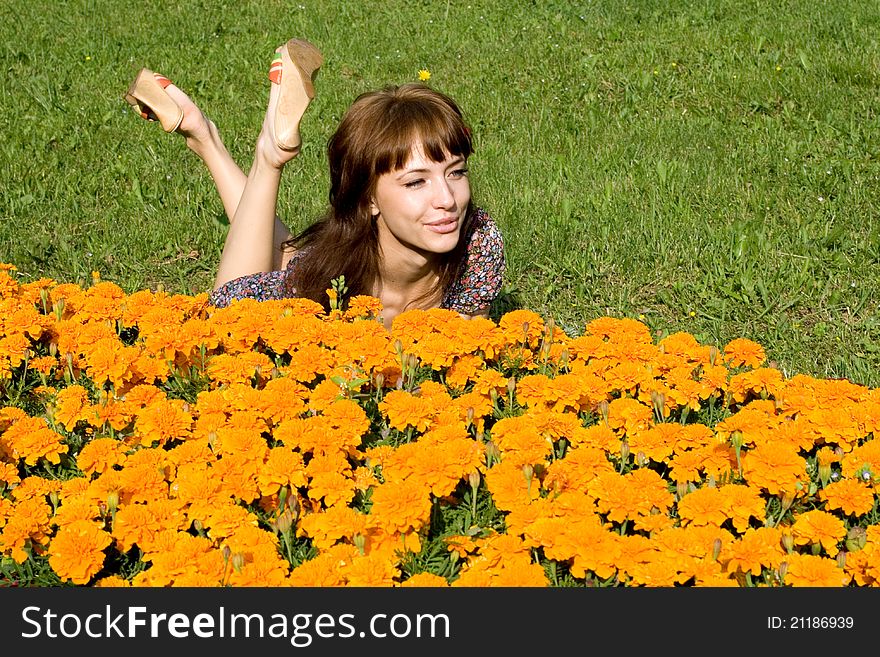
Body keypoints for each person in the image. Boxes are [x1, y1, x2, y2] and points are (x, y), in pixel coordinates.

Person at [124, 38, 504, 329]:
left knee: (285, 255)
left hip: (335, 260)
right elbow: (226, 311)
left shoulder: (477, 246)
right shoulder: (327, 283)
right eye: (416, 182)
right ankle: (268, 156)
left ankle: (203, 135)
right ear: (368, 197)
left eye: (455, 172)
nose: (447, 200)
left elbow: (460, 369)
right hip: (334, 276)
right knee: (234, 325)